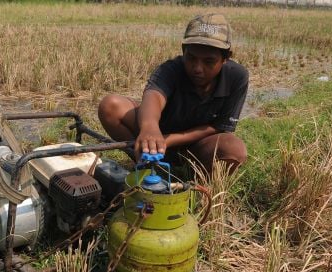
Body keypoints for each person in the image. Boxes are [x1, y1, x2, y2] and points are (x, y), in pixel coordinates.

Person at [98, 14, 248, 175]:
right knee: (110, 106)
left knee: (234, 150)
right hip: (157, 131)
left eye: (208, 61)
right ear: (184, 51)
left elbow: (217, 127)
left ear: (225, 58)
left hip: (197, 145)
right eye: (191, 58)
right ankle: (146, 161)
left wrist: (166, 140)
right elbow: (154, 96)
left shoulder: (237, 76)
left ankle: (192, 177)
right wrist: (149, 128)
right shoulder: (171, 69)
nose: (197, 68)